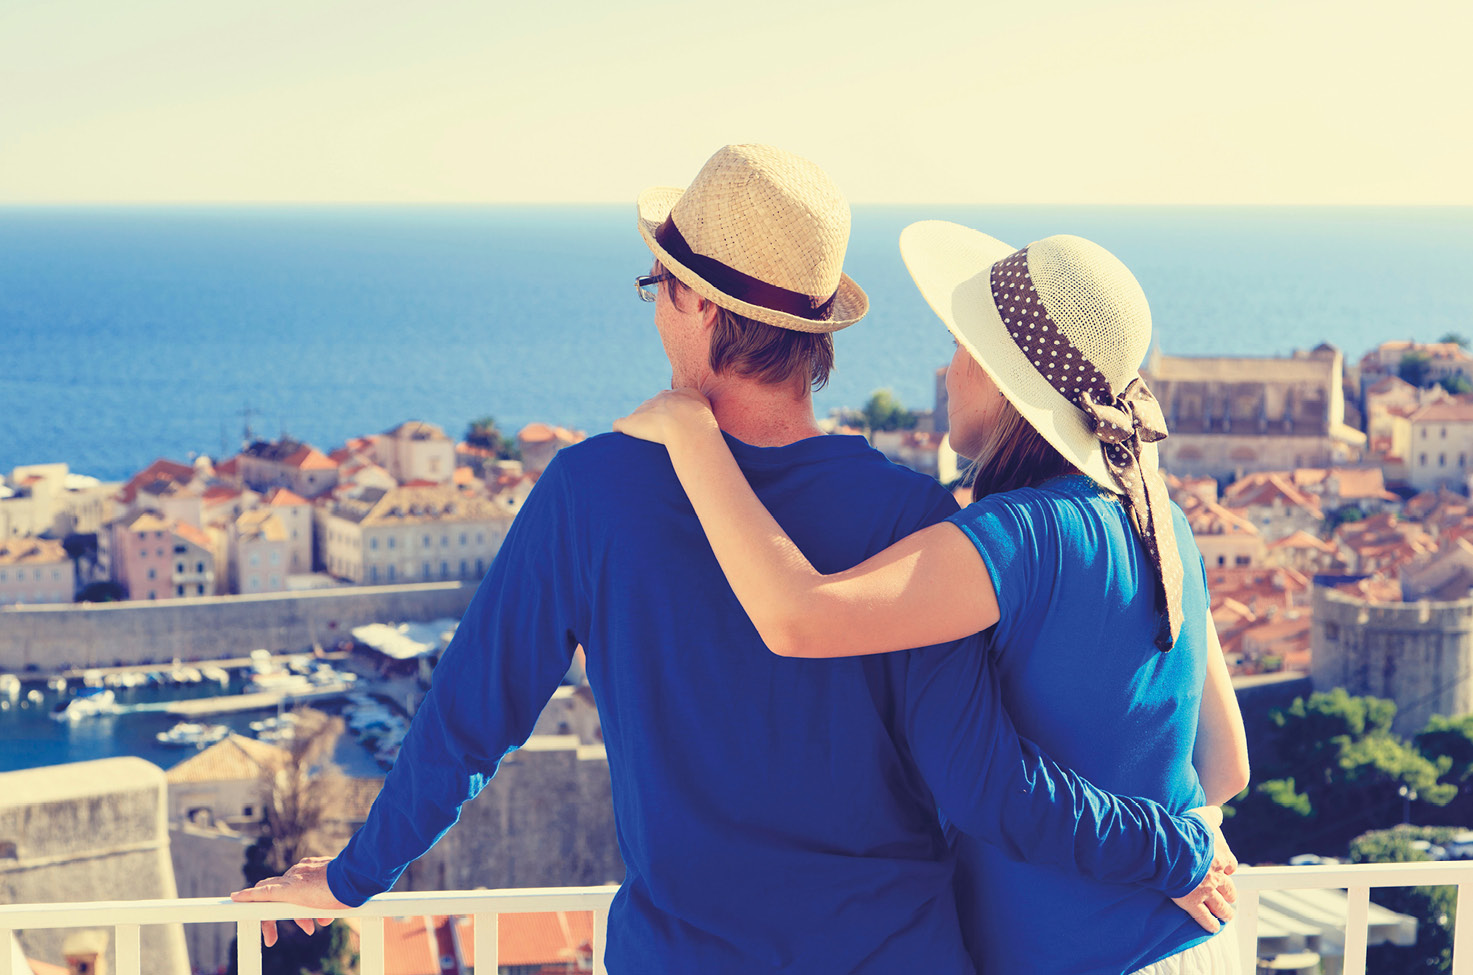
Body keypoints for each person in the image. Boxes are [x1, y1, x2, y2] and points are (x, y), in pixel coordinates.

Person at [232, 147, 1237, 974]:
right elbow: (975, 771)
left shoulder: (592, 495)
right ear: (814, 335)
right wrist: (1172, 839)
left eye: (658, 289)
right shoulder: (919, 515)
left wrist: (354, 877)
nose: (658, 312)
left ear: (701, 308)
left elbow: (468, 719)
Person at [611, 222, 1250, 975]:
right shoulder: (1160, 518)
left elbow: (798, 614)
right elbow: (1228, 763)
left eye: (957, 346)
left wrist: (691, 436)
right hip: (1200, 944)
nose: (946, 369)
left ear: (994, 370)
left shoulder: (1019, 536)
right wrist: (1186, 850)